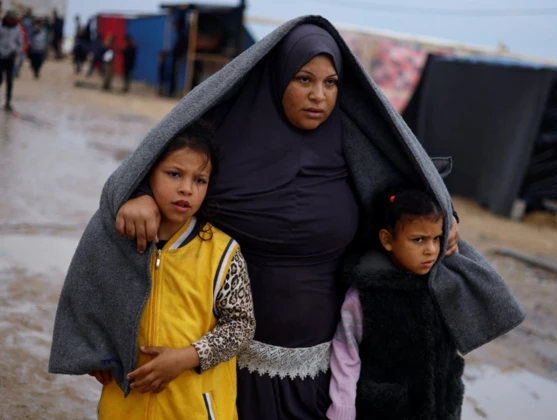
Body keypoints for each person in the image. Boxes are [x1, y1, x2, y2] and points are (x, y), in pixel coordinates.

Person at [49, 17, 524, 420]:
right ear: (278, 77)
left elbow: (404, 183)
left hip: (325, 363)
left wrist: (443, 211)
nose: (319, 95)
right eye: (303, 79)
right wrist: (138, 198)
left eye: (331, 82)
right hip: (220, 367)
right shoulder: (224, 132)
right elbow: (165, 169)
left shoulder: (354, 140)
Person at [51, 126, 256, 420]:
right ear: (146, 174)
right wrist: (96, 349)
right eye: (174, 174)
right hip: (124, 408)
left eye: (200, 180)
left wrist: (186, 358)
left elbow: (241, 327)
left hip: (196, 409)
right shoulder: (119, 240)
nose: (187, 188)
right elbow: (89, 294)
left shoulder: (223, 253)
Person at [327, 188, 466, 420]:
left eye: (436, 238)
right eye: (418, 239)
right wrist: (342, 409)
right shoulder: (366, 295)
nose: (431, 249)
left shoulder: (441, 282)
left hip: (440, 409)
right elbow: (345, 355)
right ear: (387, 240)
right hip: (388, 411)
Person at [0, 10, 23, 110]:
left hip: (10, 57)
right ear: (8, 18)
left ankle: (8, 102)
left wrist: (15, 52)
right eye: (12, 19)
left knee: (9, 80)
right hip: (0, 56)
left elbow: (20, 43)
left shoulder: (17, 28)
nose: (14, 21)